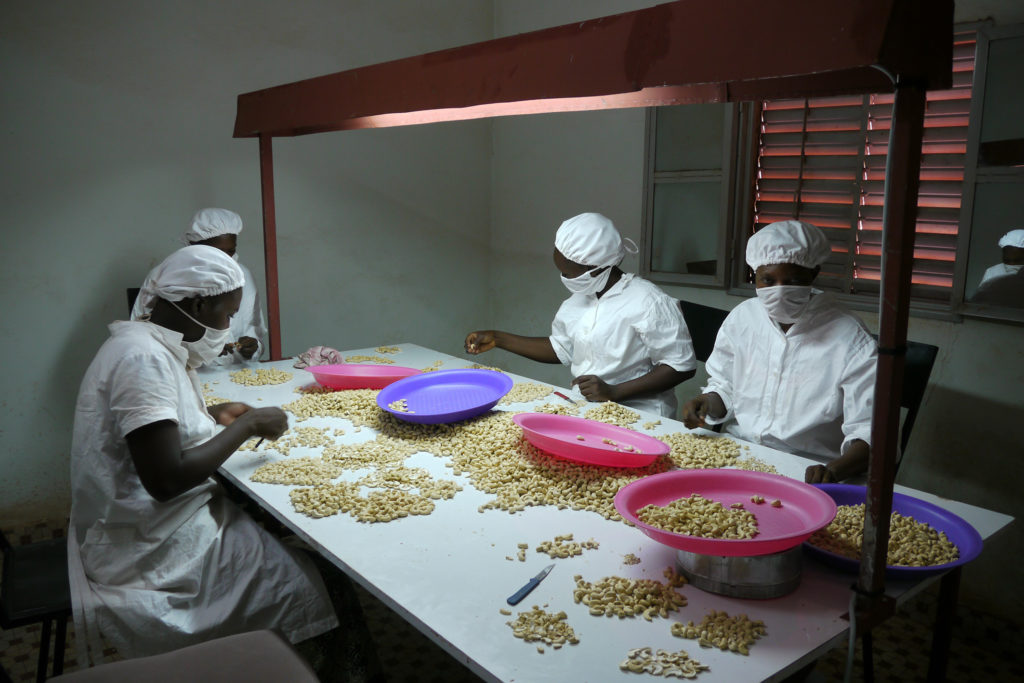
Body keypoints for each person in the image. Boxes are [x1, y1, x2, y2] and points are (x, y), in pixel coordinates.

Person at [68, 245, 380, 681]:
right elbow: (166, 478)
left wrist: (210, 417)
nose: (229, 325)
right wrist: (248, 424)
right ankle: (295, 668)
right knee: (323, 584)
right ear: (198, 304)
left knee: (274, 529)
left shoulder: (148, 345)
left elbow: (150, 430)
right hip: (153, 548)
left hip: (150, 524)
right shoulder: (143, 359)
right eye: (228, 313)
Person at [681, 220, 877, 483]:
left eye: (794, 280)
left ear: (814, 273)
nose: (780, 290)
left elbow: (869, 432)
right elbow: (726, 386)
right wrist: (706, 402)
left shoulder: (851, 339)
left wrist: (834, 470)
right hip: (740, 452)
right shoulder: (744, 319)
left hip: (809, 466)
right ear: (754, 275)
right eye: (768, 280)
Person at [465, 212, 696, 417]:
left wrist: (614, 391)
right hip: (588, 407)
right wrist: (498, 338)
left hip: (641, 413)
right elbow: (562, 347)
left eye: (569, 273)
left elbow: (681, 365)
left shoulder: (648, 302)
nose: (565, 279)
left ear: (599, 268)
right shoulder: (580, 298)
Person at [131, 208, 267, 364]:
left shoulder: (242, 276)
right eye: (215, 251)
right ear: (192, 245)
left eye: (231, 251)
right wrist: (202, 347)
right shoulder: (165, 276)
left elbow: (254, 328)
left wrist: (252, 347)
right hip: (185, 373)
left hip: (233, 375)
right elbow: (145, 333)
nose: (224, 259)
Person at [974, 228, 1024, 306]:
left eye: (1017, 261)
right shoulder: (992, 272)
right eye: (1007, 260)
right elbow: (980, 303)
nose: (1012, 264)